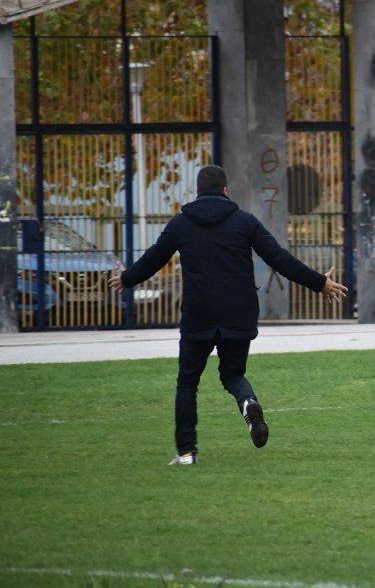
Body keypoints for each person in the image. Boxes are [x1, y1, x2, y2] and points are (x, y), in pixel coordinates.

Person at [109, 165, 348, 464]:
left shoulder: (181, 225)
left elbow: (152, 261)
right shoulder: (244, 222)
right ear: (225, 191)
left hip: (199, 315)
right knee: (233, 373)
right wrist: (320, 283)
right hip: (239, 313)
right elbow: (279, 259)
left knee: (187, 383)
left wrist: (126, 278)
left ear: (197, 192)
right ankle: (248, 402)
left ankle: (186, 453)